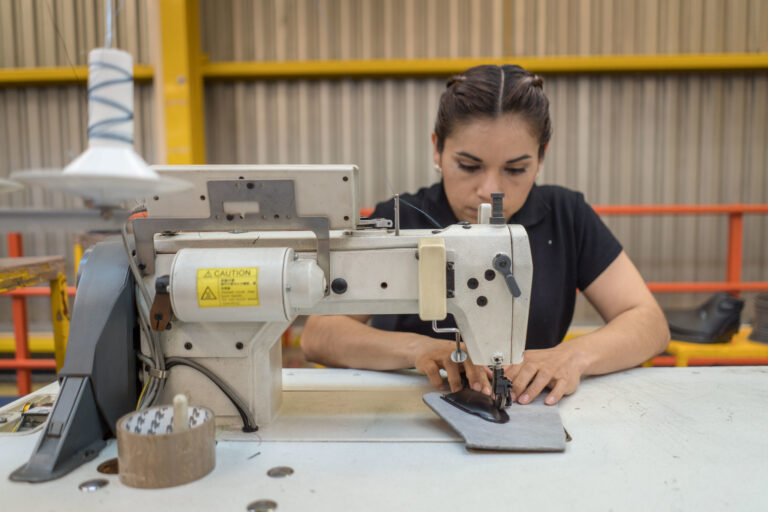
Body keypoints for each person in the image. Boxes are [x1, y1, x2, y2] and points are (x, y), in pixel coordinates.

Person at [301, 64, 670, 406]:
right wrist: (418, 350)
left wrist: (572, 356)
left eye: (516, 169)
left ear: (541, 158)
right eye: (468, 166)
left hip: (530, 407)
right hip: (407, 414)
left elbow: (649, 322)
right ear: (437, 149)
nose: (490, 189)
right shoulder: (400, 220)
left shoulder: (566, 216)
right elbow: (319, 335)